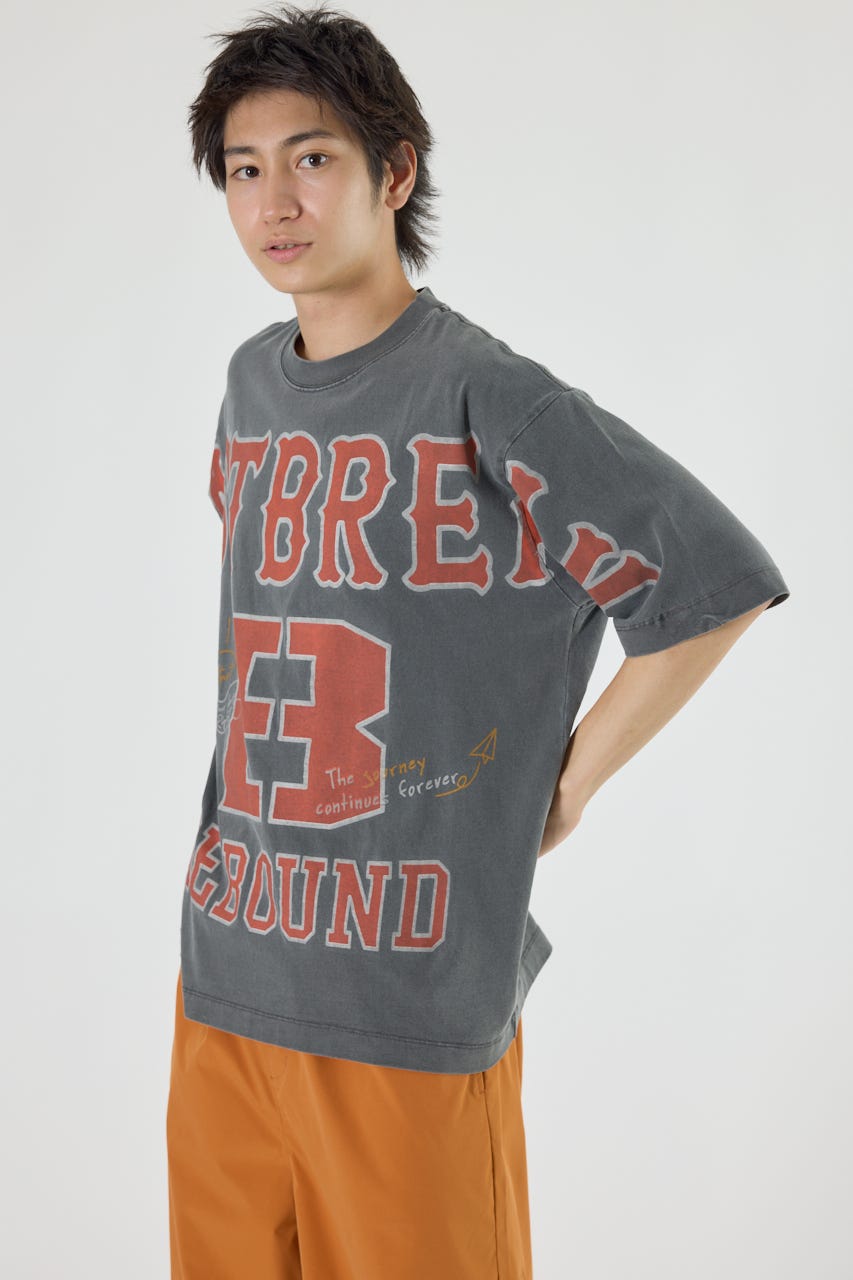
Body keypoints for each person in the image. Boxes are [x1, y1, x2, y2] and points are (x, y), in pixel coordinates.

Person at [166, 5, 791, 1277]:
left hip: (409, 994)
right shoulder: (248, 385)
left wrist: (564, 785)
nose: (275, 201)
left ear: (394, 172)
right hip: (229, 973)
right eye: (243, 168)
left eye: (313, 157)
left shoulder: (488, 395)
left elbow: (710, 581)